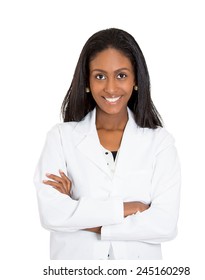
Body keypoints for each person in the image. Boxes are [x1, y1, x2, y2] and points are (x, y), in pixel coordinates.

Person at [33, 28, 181, 260]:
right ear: (87, 81)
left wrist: (77, 212)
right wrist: (129, 208)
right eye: (100, 76)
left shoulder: (159, 142)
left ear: (136, 80)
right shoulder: (61, 138)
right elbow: (51, 214)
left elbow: (164, 224)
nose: (111, 88)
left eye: (121, 75)